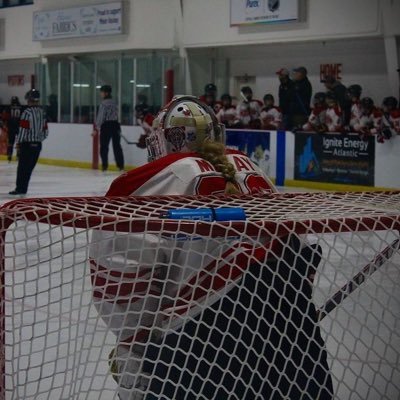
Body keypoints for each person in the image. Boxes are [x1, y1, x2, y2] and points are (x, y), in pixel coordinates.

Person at [89, 96, 333, 400]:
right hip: (294, 339)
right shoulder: (252, 170)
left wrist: (134, 356)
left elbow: (124, 291)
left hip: (202, 350)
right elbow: (302, 252)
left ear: (164, 140)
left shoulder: (147, 186)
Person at [8, 89, 48, 195]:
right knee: (29, 169)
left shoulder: (27, 112)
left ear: (29, 100)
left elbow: (23, 130)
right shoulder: (42, 112)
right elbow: (45, 131)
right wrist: (38, 140)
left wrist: (19, 143)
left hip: (27, 145)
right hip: (38, 145)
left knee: (22, 168)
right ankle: (23, 189)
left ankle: (20, 189)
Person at [94, 85, 124, 172]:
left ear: (106, 93)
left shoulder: (104, 104)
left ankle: (104, 166)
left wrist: (96, 128)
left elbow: (101, 117)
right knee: (117, 146)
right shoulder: (115, 102)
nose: (101, 94)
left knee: (104, 146)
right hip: (115, 125)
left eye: (102, 92)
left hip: (106, 126)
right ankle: (120, 166)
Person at [6, 96, 23, 162]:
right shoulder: (21, 107)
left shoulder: (9, 107)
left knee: (10, 142)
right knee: (19, 142)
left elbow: (7, 117)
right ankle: (18, 155)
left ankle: (9, 155)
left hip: (11, 127)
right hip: (18, 127)